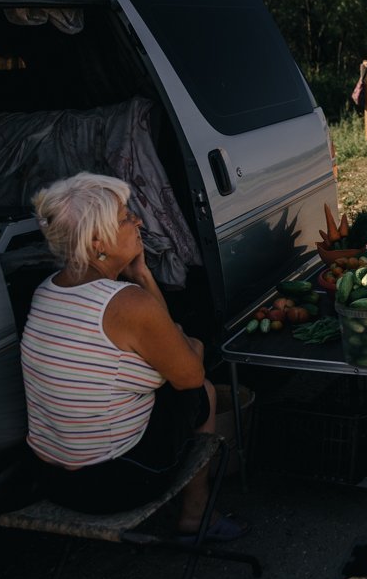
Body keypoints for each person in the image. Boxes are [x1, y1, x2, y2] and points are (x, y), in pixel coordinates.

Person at [21, 172, 248, 539]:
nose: (137, 222)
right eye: (126, 217)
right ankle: (197, 514)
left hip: (50, 479)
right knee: (201, 389)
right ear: (98, 241)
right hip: (113, 486)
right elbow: (189, 373)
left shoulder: (46, 291)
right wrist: (190, 342)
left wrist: (141, 274)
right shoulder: (126, 305)